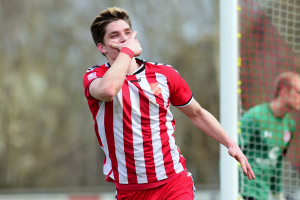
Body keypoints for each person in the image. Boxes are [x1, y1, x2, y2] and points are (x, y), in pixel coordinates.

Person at [83, 7, 255, 200]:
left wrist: (231, 144)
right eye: (115, 36)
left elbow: (196, 113)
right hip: (130, 190)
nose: (124, 39)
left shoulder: (164, 74)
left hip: (173, 182)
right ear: (102, 47)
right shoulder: (95, 76)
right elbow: (108, 90)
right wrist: (128, 51)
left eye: (128, 33)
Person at [239, 72, 300, 200]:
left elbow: (277, 163)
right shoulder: (254, 117)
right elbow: (228, 153)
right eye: (298, 92)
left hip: (264, 194)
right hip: (244, 191)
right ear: (284, 92)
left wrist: (278, 195)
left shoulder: (290, 125)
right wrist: (232, 190)